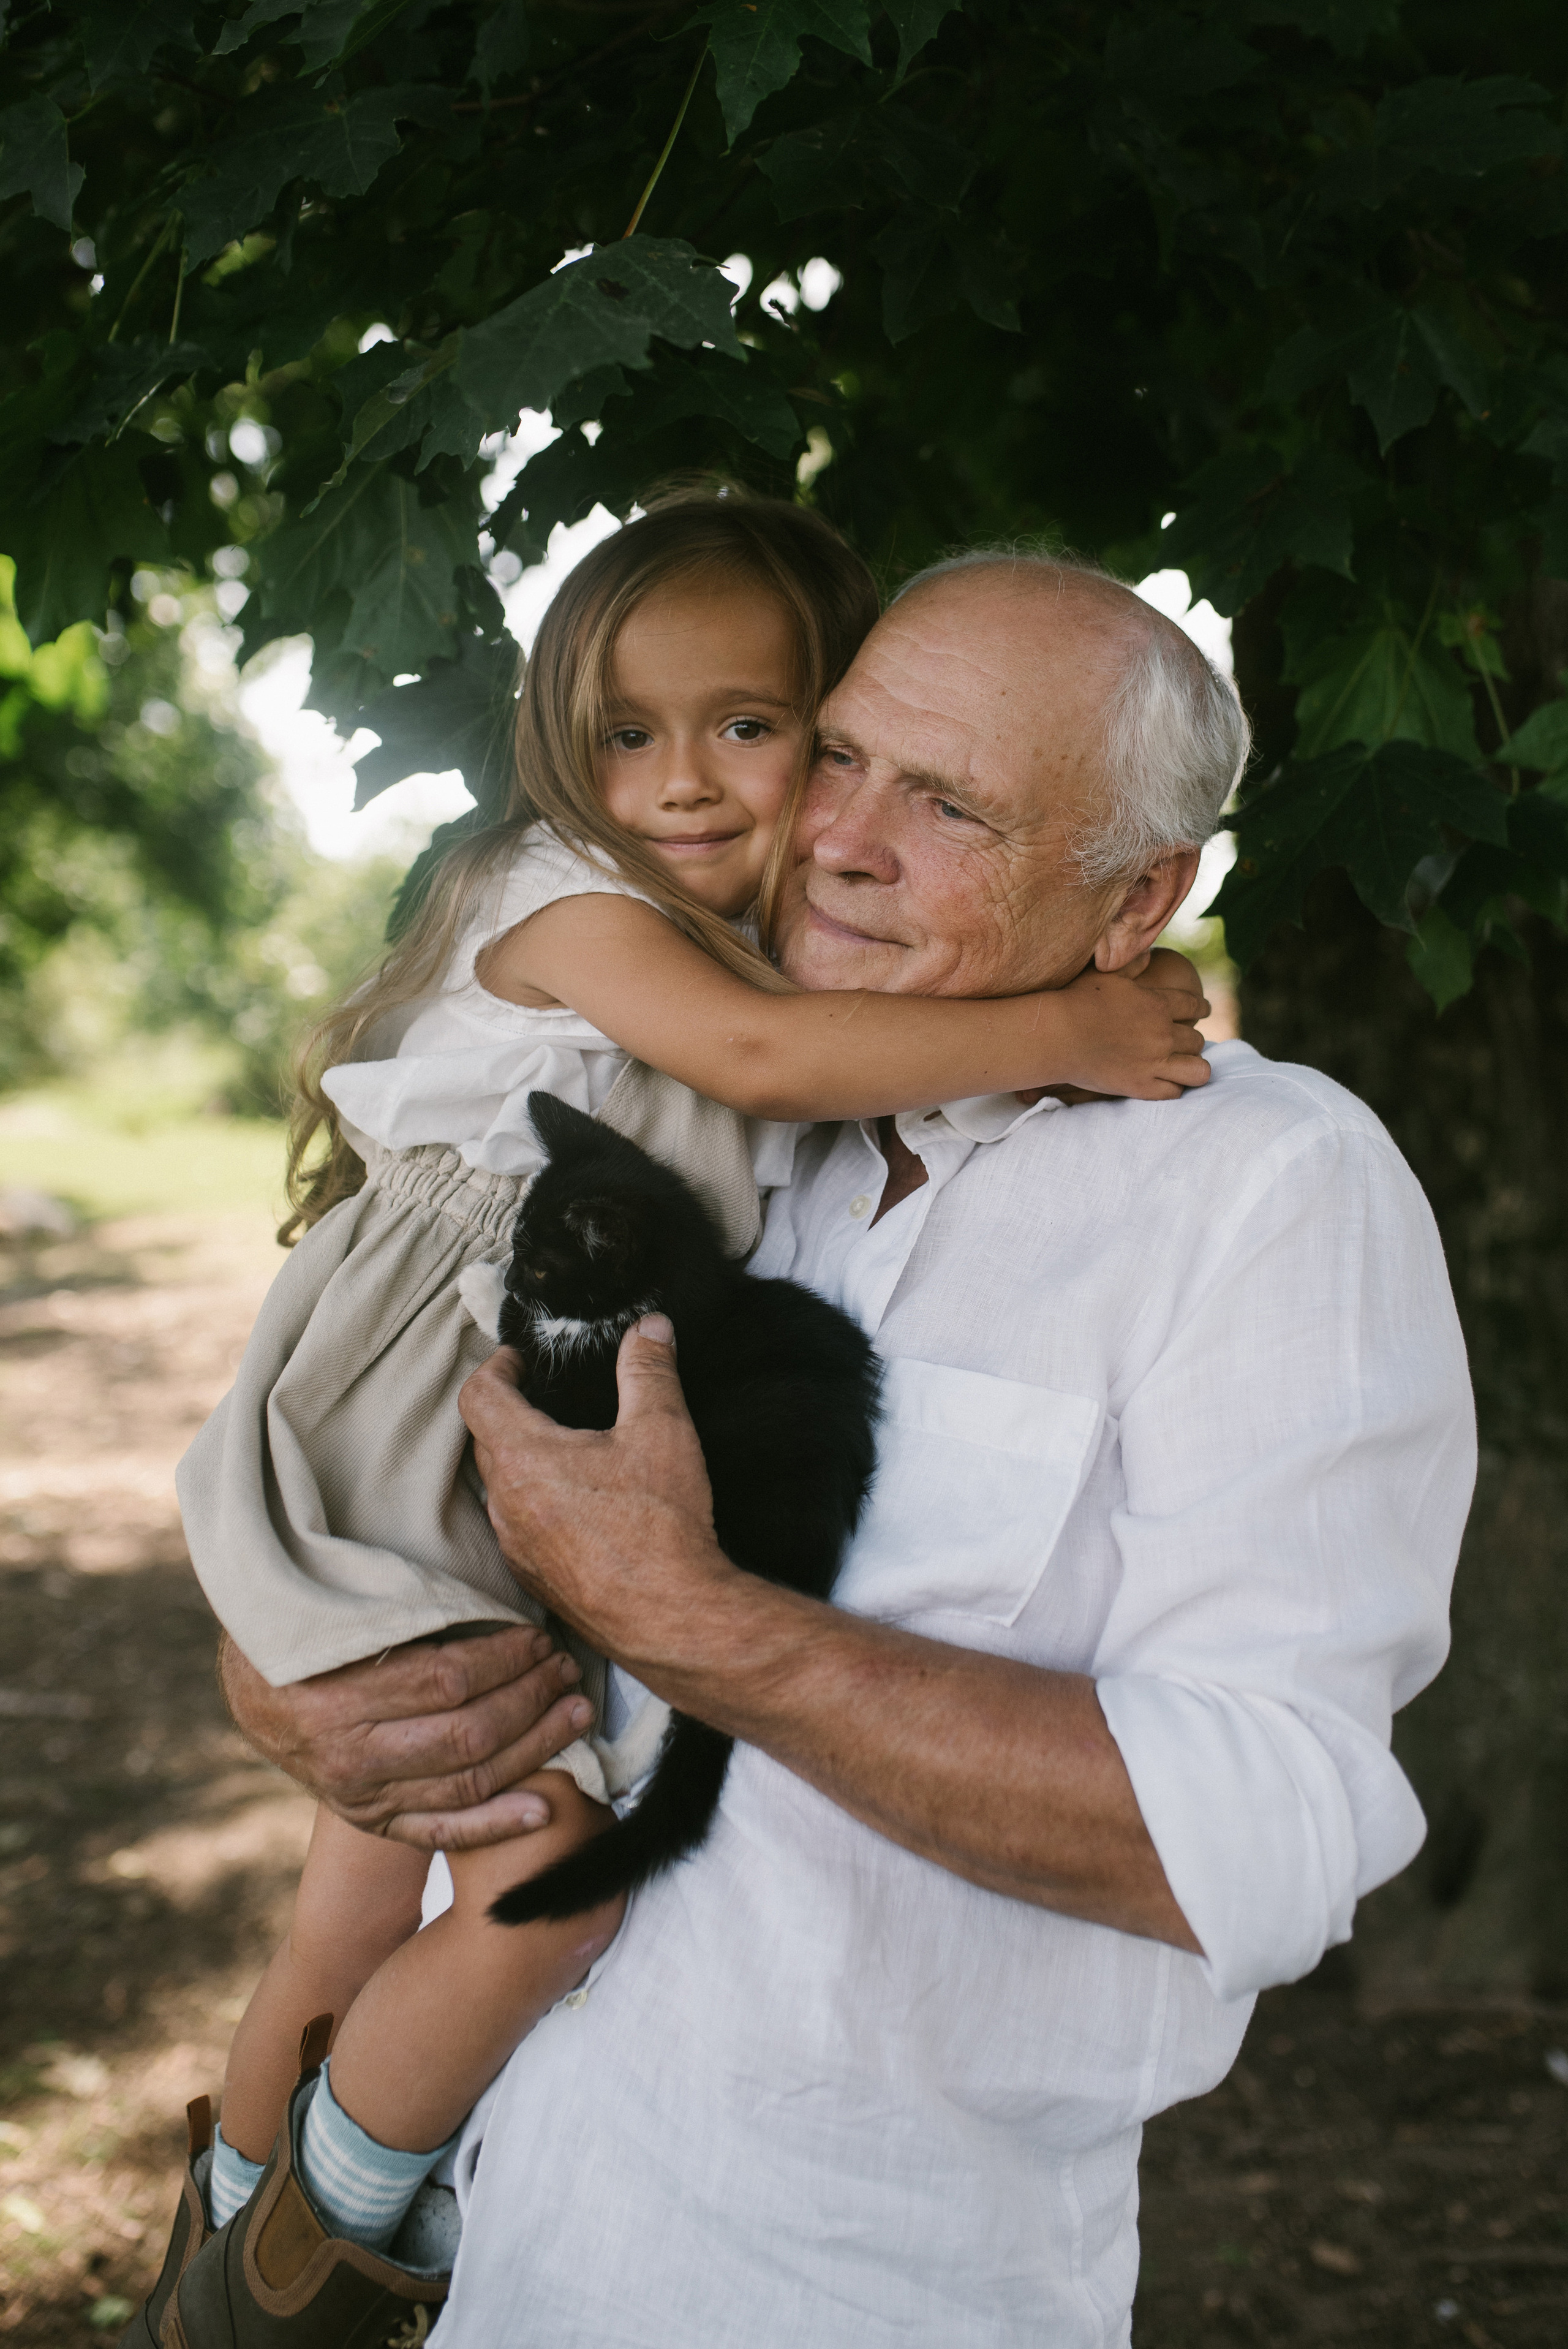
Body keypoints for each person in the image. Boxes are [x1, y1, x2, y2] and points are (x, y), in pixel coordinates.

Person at [215, 548, 1475, 2345]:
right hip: (481, 2238)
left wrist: (702, 1617)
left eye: (948, 803)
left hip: (848, 2277)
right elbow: (403, 1426)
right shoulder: (727, 1108)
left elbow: (1261, 1832)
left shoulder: (1271, 1185)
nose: (837, 838)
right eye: (841, 756)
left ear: (1142, 900)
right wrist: (296, 1675)